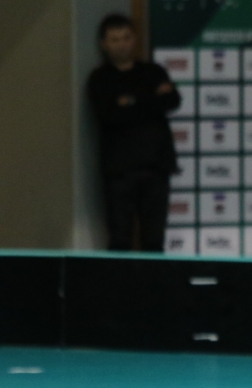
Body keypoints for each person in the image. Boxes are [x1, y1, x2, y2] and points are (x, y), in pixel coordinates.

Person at [87, 13, 181, 252]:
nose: (122, 44)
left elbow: (172, 101)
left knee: (154, 241)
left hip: (157, 168)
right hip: (120, 172)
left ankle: (154, 279)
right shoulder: (100, 79)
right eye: (115, 39)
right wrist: (150, 100)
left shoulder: (153, 71)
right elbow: (109, 116)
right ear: (104, 44)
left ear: (135, 39)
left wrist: (130, 102)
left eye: (126, 37)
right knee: (120, 240)